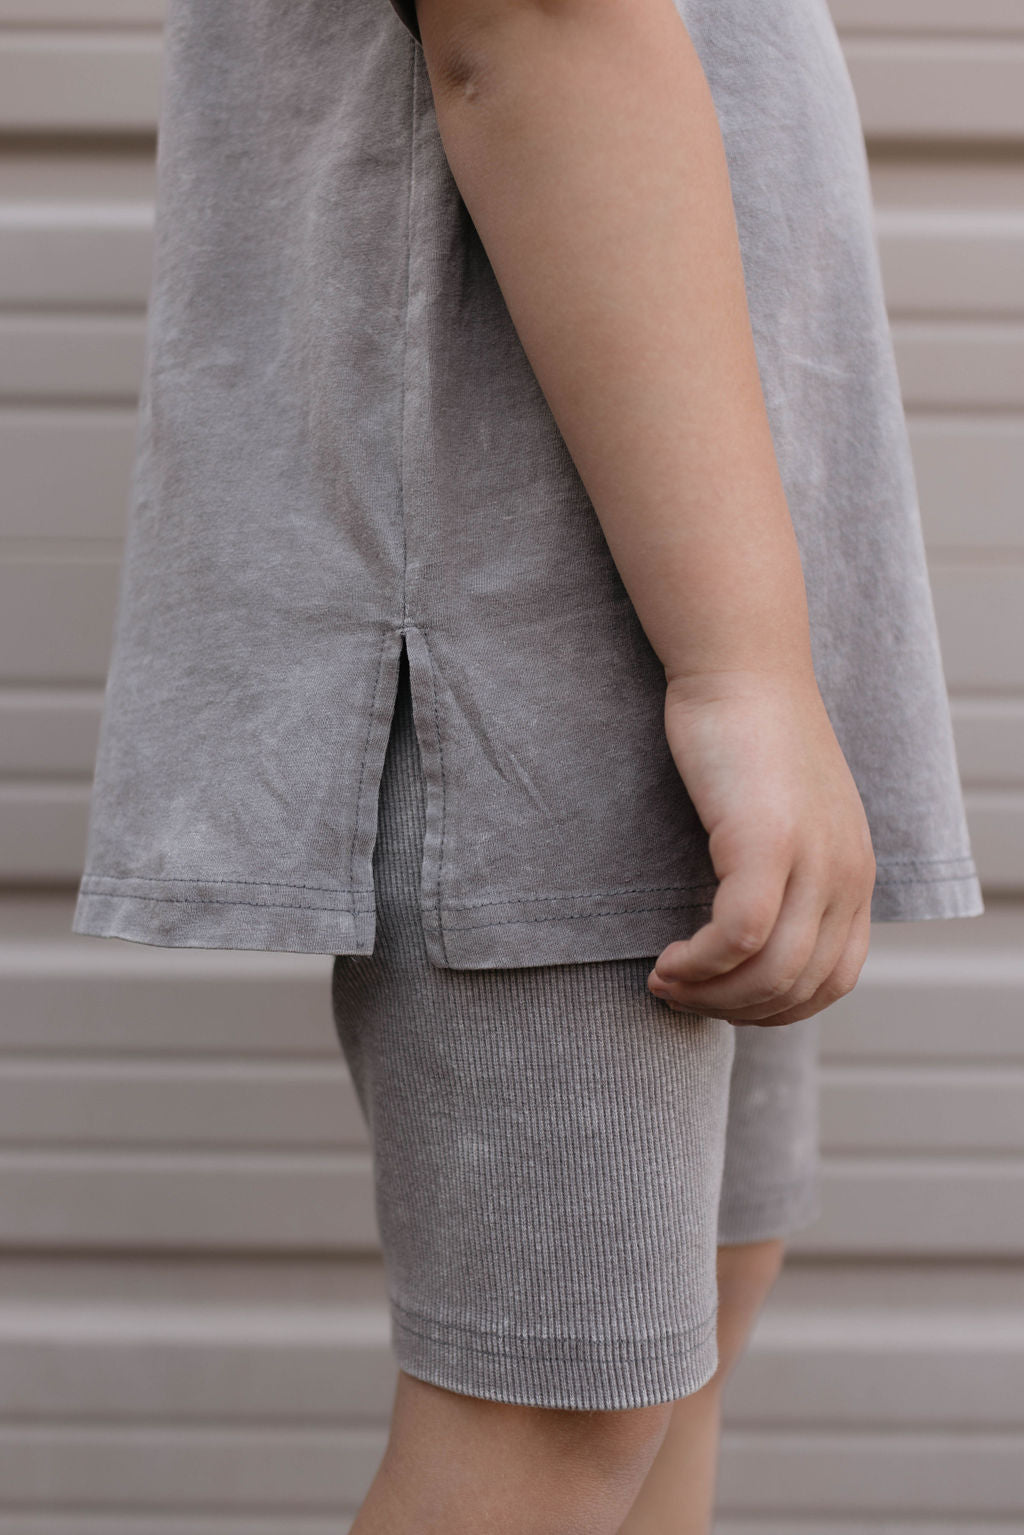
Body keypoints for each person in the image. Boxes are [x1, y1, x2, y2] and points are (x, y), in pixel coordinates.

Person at [71, 0, 983, 1529]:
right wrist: (741, 667)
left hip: (698, 568)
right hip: (539, 594)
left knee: (682, 1326)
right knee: (557, 1416)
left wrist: (763, 656)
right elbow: (540, 23)